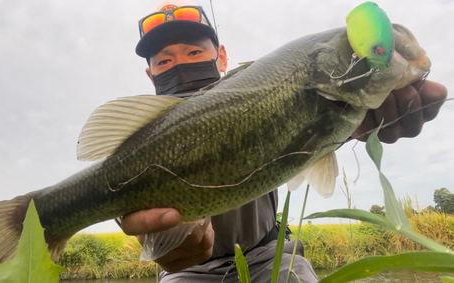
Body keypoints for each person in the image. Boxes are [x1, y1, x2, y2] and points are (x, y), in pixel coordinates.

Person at [118, 1, 448, 282]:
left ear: (221, 57)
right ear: (150, 75)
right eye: (164, 60)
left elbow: (300, 131)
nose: (182, 64)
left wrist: (347, 125)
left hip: (269, 258)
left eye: (194, 51)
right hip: (187, 272)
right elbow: (112, 179)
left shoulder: (263, 96)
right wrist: (137, 225)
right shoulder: (141, 133)